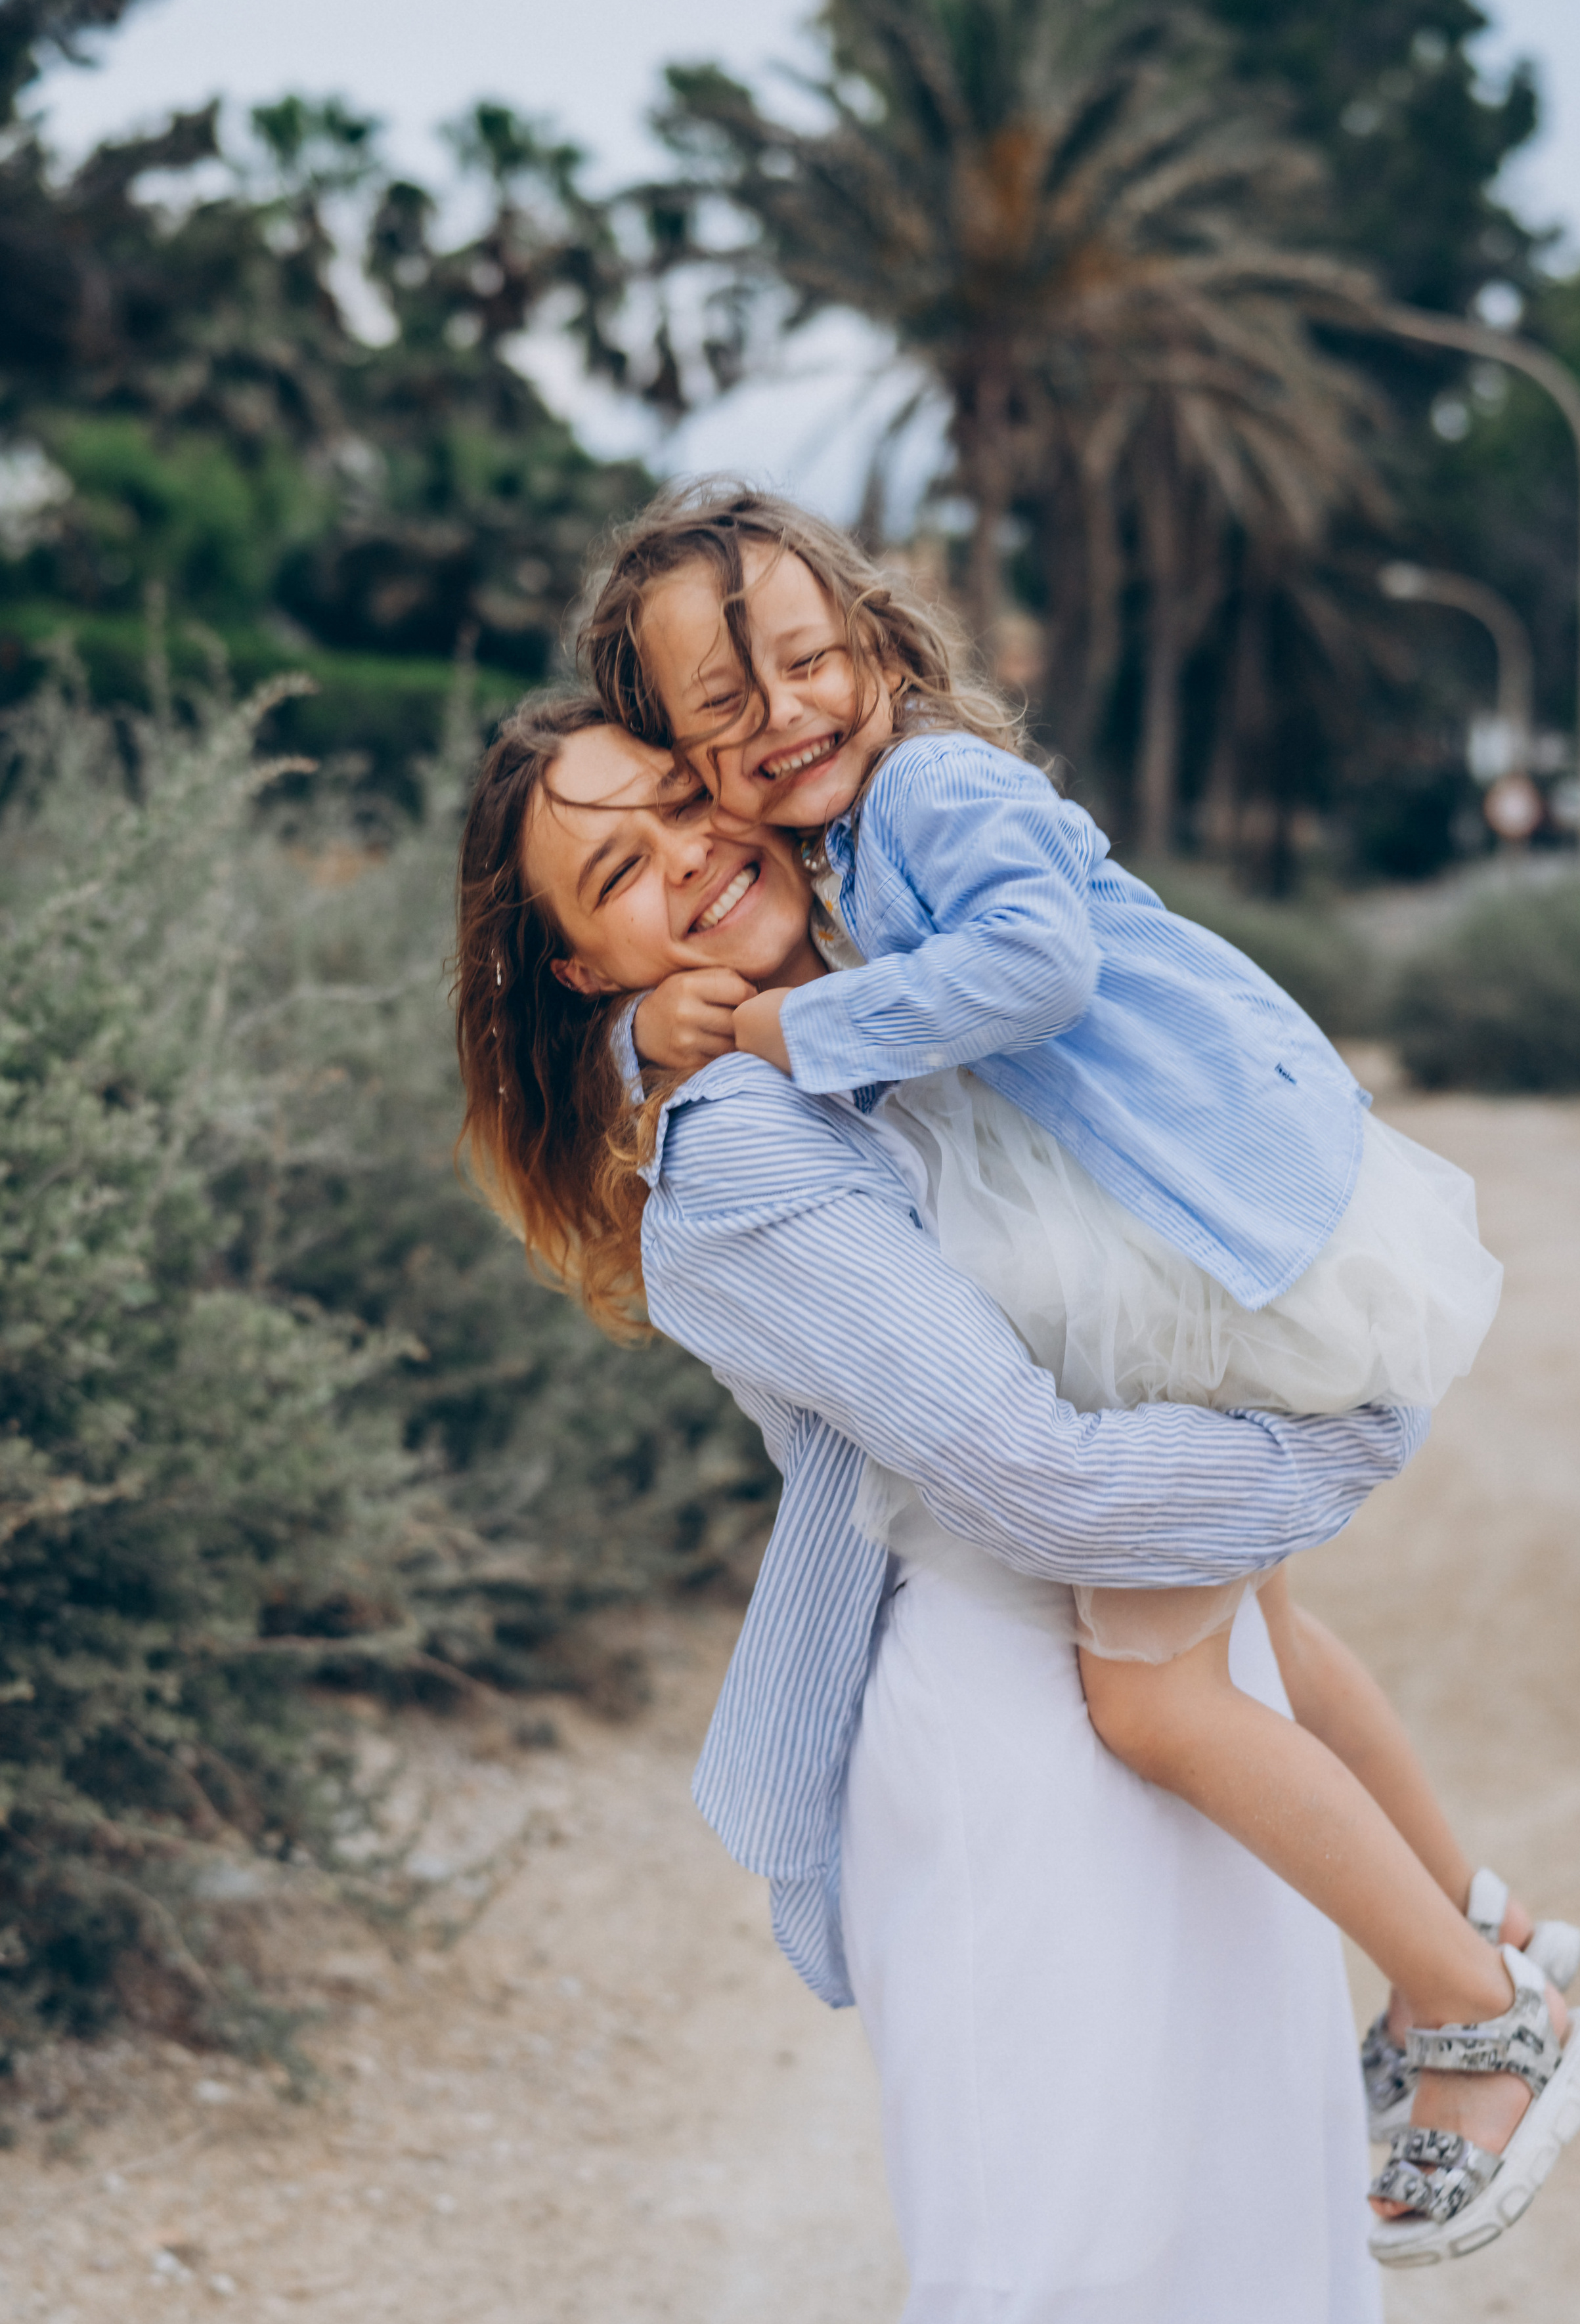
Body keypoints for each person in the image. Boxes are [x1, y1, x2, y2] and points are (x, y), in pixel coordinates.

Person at [578, 483, 1580, 2264]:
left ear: (882, 645)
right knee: (1265, 1637)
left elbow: (1034, 962)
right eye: (724, 716)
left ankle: (1484, 2022)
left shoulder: (935, 788)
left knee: (1150, 1696)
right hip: (1191, 1234)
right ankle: (1479, 1908)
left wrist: (774, 1027)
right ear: (685, 758)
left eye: (809, 664)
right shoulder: (842, 838)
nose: (782, 723)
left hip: (1205, 1246)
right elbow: (715, 960)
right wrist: (645, 1022)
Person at [454, 695, 1432, 2317]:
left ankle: (1471, 1954)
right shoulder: (743, 1147)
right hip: (1014, 1732)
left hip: (1177, 1666)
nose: (692, 854)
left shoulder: (900, 990)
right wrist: (1325, 1455)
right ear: (584, 969)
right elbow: (1034, 1477)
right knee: (1060, 2261)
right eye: (619, 870)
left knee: (1266, 2239)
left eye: (687, 799)